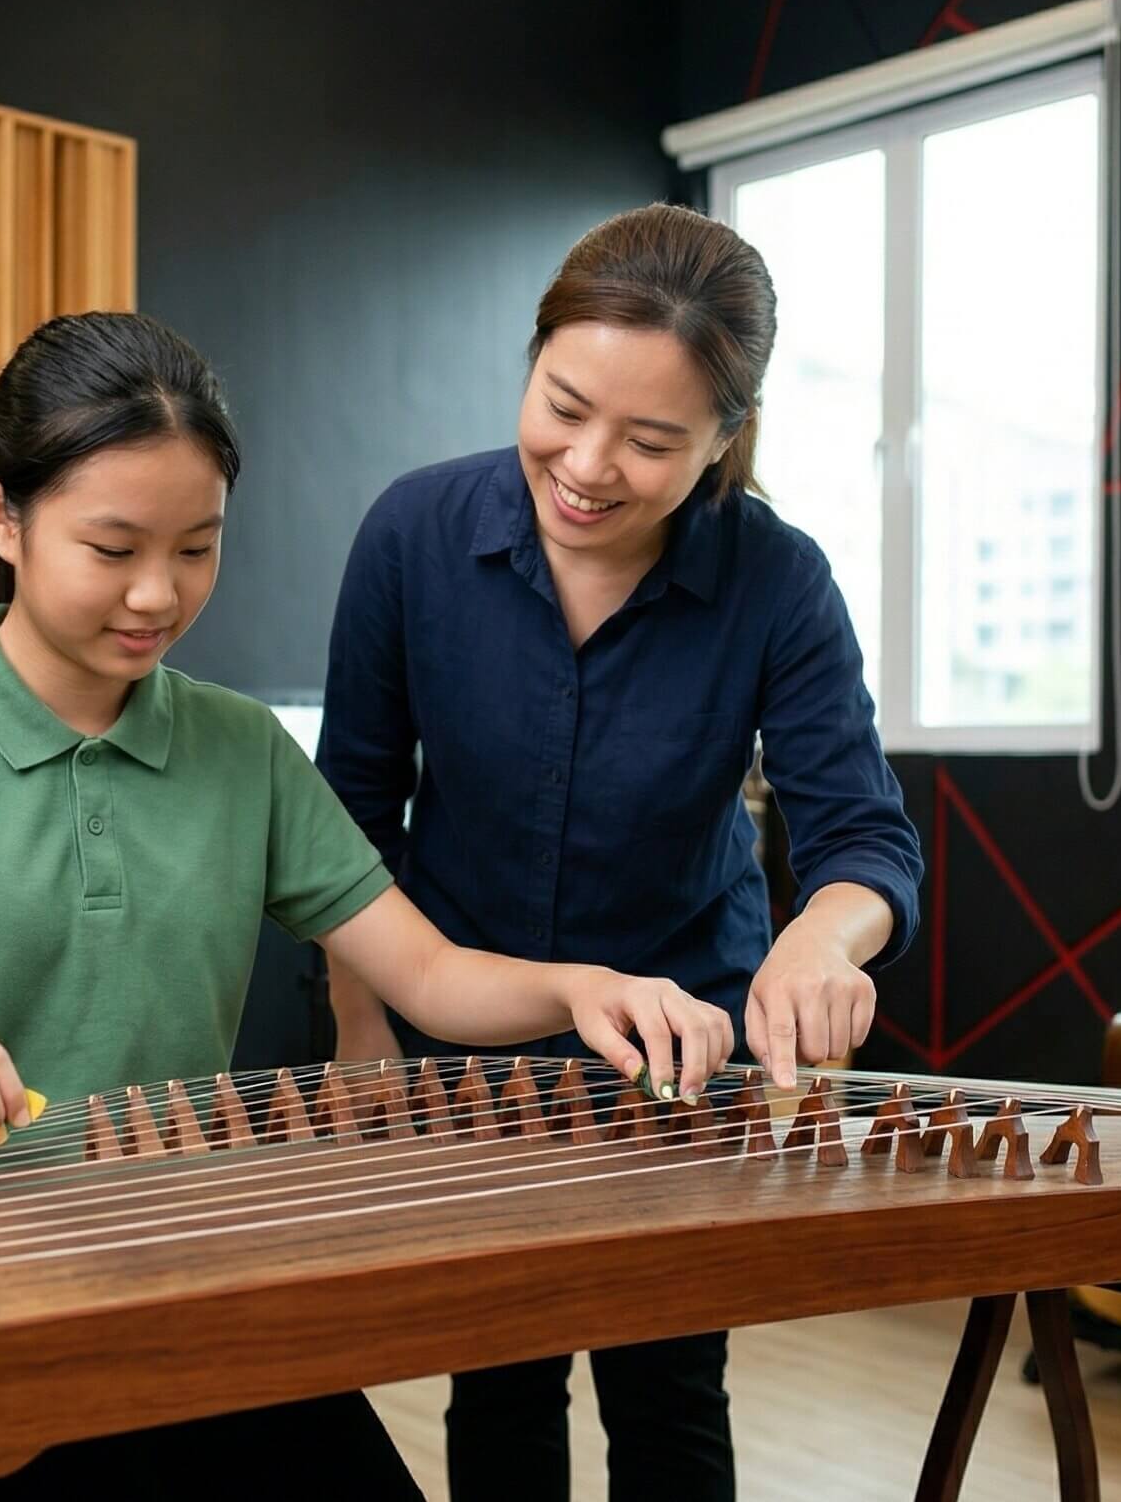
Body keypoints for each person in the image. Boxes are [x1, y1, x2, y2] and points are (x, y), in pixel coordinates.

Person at [0, 310, 736, 1499]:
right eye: (113, 547)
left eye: (197, 548)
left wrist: (584, 986)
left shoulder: (238, 748)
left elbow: (429, 975)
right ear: (4, 517)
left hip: (186, 1286)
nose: (159, 593)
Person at [317, 205, 924, 1501]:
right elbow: (347, 823)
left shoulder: (778, 580)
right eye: (563, 403)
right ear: (530, 360)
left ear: (723, 437)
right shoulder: (413, 537)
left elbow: (864, 835)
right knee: (501, 1378)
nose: (588, 464)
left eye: (652, 441)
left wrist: (824, 934)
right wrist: (361, 1019)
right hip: (460, 1029)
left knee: (669, 1391)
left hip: (679, 1035)